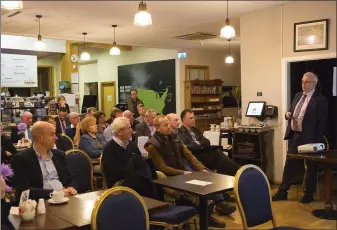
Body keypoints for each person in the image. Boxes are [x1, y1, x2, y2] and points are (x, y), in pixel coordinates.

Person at [145, 115, 227, 228]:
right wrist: (182, 173)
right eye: (165, 125)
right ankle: (202, 218)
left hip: (181, 173)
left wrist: (201, 169)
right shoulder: (152, 145)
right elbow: (163, 168)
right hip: (169, 179)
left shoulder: (174, 137)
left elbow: (189, 155)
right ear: (157, 128)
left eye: (169, 124)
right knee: (197, 192)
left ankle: (207, 217)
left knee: (208, 181)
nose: (169, 127)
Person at [272, 72, 328, 203]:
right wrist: (287, 114)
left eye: (306, 82)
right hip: (295, 135)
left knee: (311, 166)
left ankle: (309, 194)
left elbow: (322, 121)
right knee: (289, 164)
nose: (303, 84)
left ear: (314, 84)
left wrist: (317, 139)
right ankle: (282, 191)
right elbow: (292, 110)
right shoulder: (297, 95)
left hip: (311, 138)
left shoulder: (320, 100)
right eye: (302, 81)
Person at [11, 121, 77, 201]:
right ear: (39, 138)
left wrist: (70, 188)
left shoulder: (59, 155)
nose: (56, 137)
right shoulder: (21, 159)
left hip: (65, 198)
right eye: (52, 134)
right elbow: (24, 190)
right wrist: (55, 193)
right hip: (40, 203)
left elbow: (71, 178)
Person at [179, 109, 239, 176]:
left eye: (193, 117)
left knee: (218, 156)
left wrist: (197, 144)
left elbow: (207, 142)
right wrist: (200, 144)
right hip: (195, 156)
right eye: (190, 118)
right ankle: (237, 171)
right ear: (183, 120)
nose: (193, 120)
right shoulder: (180, 132)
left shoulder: (195, 129)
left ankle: (231, 174)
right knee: (217, 154)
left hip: (203, 153)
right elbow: (188, 147)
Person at [102, 117, 142, 187]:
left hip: (134, 177)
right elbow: (114, 173)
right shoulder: (109, 149)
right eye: (129, 128)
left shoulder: (132, 145)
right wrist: (133, 170)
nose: (132, 130)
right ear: (119, 132)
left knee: (154, 179)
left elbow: (140, 161)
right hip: (119, 183)